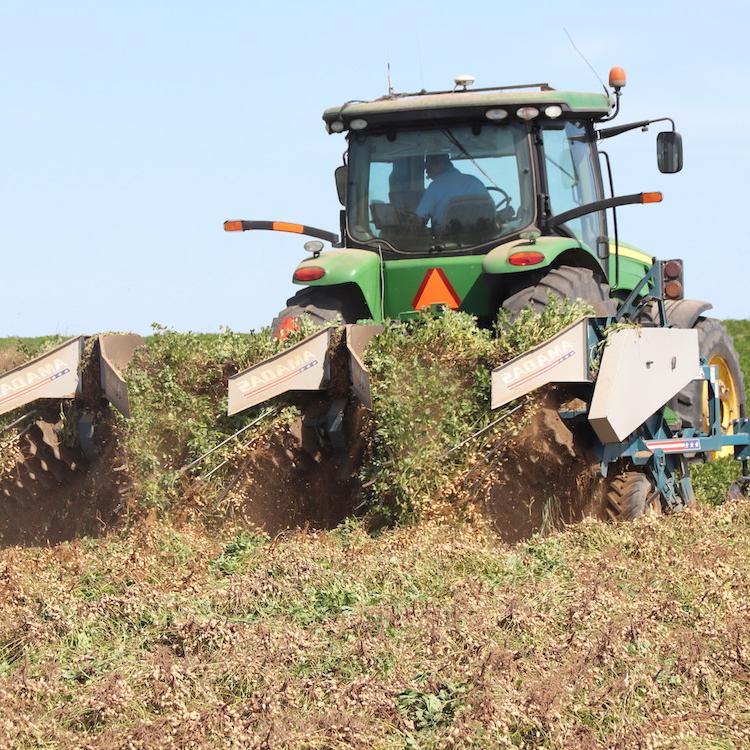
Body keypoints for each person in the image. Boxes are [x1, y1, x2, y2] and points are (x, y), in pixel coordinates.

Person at [415, 154, 491, 233]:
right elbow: (492, 213)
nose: (427, 172)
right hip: (483, 239)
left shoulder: (435, 186)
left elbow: (418, 221)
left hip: (447, 241)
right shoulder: (475, 182)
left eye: (429, 168)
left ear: (441, 164)